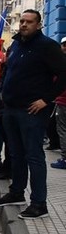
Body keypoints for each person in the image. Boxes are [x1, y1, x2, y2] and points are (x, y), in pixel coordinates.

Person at [0, 9, 66, 219]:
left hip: (32, 111)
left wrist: (46, 99)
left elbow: (64, 74)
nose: (24, 24)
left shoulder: (47, 46)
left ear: (39, 25)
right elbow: (9, 71)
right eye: (22, 21)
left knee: (33, 155)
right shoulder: (16, 44)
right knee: (15, 153)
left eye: (29, 22)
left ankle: (39, 204)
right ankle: (17, 192)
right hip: (11, 108)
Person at [52, 37, 66, 170]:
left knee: (62, 130)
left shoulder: (60, 62)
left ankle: (65, 158)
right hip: (61, 100)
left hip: (62, 101)